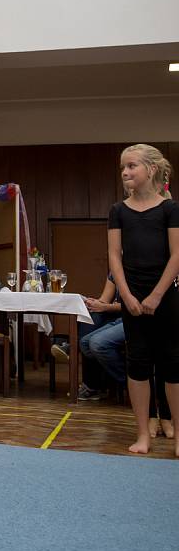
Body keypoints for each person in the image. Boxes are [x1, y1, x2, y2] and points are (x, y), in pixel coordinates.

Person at [108, 143, 179, 455]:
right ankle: (142, 434)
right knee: (137, 363)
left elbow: (177, 255)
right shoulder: (118, 211)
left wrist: (156, 295)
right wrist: (126, 295)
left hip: (164, 294)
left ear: (150, 170)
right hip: (132, 297)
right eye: (123, 167)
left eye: (132, 166)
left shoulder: (170, 209)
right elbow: (114, 256)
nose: (125, 172)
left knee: (172, 363)